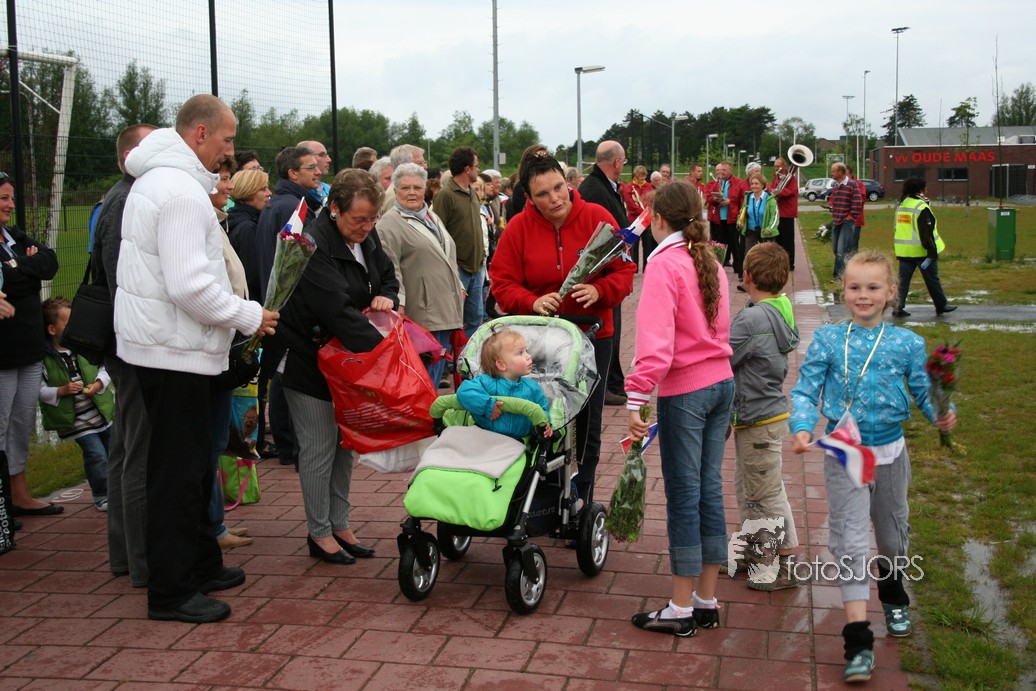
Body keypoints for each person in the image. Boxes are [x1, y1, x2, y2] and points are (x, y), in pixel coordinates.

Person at [116, 94, 277, 623]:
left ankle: (201, 563)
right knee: (178, 473)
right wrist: (249, 315)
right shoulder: (181, 192)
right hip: (174, 351)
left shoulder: (164, 181)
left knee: (192, 466)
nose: (231, 150)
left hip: (170, 346)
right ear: (200, 133)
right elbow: (189, 286)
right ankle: (171, 590)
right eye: (227, 139)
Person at [789, 249, 957, 682]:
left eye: (872, 287)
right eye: (854, 287)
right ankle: (858, 642)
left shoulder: (907, 343)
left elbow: (923, 389)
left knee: (892, 537)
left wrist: (941, 411)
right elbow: (805, 390)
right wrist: (803, 426)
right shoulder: (828, 340)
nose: (863, 295)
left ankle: (893, 591)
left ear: (890, 293)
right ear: (843, 291)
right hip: (845, 452)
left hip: (890, 453)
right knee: (850, 540)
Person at [490, 153, 634, 505]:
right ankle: (541, 496)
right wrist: (531, 301)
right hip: (538, 342)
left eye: (559, 188)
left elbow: (624, 272)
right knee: (541, 417)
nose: (555, 198)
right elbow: (502, 283)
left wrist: (601, 290)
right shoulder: (518, 229)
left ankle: (581, 497)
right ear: (528, 196)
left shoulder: (597, 217)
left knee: (587, 422)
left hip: (592, 336)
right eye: (543, 194)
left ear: (568, 183)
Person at [625, 181, 734, 638]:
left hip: (686, 392)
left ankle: (681, 607)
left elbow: (655, 343)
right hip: (721, 382)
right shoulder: (710, 259)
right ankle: (706, 599)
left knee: (685, 496)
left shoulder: (663, 264)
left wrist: (636, 397)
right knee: (709, 490)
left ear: (657, 219)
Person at [278, 169, 398, 565]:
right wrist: (387, 353)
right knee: (318, 447)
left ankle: (339, 524)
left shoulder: (366, 237)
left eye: (372, 219)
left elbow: (387, 275)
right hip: (308, 360)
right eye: (358, 219)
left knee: (345, 445)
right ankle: (319, 532)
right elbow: (337, 311)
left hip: (347, 360)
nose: (366, 227)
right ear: (334, 209)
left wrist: (386, 296)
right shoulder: (313, 245)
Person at [90, 123, 156, 586]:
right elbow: (123, 283)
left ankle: (126, 554)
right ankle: (145, 561)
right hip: (131, 343)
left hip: (125, 340)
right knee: (140, 451)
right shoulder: (126, 200)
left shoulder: (126, 196)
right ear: (131, 156)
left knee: (126, 446)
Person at [729, 242, 801, 591]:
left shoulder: (752, 318)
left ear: (747, 276)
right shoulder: (779, 308)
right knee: (750, 488)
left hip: (758, 417)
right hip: (763, 415)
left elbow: (724, 355)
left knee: (764, 495)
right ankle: (754, 550)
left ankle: (780, 564)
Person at [255, 145, 322, 470]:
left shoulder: (280, 203)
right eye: (311, 167)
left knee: (282, 374)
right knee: (287, 376)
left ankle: (287, 443)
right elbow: (296, 260)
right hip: (289, 304)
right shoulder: (293, 208)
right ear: (293, 173)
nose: (318, 171)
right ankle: (292, 446)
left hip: (280, 302)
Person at [1, 171, 61, 522]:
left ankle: (19, 494)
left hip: (29, 347)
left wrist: (17, 265)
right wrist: (26, 271)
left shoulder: (14, 236)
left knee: (22, 423)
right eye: (4, 198)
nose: (11, 204)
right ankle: (2, 505)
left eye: (11, 197)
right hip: (3, 353)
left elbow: (49, 263)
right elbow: (8, 281)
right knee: (1, 424)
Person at [375, 162, 464, 387]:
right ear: (395, 191)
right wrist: (399, 304)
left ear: (425, 189)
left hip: (443, 307)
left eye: (417, 187)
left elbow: (445, 256)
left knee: (434, 371)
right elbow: (390, 268)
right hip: (421, 314)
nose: (412, 193)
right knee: (423, 376)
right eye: (405, 188)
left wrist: (459, 287)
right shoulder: (389, 224)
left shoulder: (431, 216)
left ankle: (430, 409)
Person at [206, 158, 255, 551]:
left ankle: (215, 524)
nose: (228, 186)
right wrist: (247, 316)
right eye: (221, 179)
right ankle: (210, 528)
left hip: (228, 339)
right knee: (208, 443)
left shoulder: (218, 221)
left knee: (220, 436)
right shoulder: (202, 222)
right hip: (213, 345)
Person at [38, 296, 113, 511]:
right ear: (52, 329)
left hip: (101, 413)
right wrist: (60, 391)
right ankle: (101, 494)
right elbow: (39, 391)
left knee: (113, 452)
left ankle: (117, 489)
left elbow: (106, 367)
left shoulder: (85, 346)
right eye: (68, 322)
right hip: (76, 421)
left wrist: (98, 384)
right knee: (96, 454)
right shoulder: (45, 359)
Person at [579, 141, 631, 408]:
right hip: (600, 274)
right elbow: (600, 234)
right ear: (617, 162)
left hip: (609, 270)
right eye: (624, 161)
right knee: (607, 331)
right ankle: (607, 383)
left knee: (614, 329)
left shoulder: (603, 186)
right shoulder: (594, 190)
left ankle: (613, 381)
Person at [456, 328, 552, 439]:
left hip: (520, 442)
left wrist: (544, 425)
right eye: (520, 353)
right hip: (486, 438)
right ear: (501, 365)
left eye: (526, 351)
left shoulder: (532, 387)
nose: (529, 356)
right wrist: (487, 405)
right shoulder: (486, 382)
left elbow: (543, 409)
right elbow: (463, 391)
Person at [434, 146, 485, 338]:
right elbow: (438, 232)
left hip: (476, 267)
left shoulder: (472, 193)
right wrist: (451, 264)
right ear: (467, 169)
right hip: (458, 269)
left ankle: (469, 353)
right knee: (452, 319)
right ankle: (449, 355)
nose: (478, 170)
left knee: (475, 318)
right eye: (476, 166)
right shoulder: (445, 195)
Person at [892, 177, 956, 318]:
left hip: (904, 252)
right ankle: (941, 306)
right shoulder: (921, 207)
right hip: (922, 252)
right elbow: (926, 233)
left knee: (902, 282)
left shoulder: (902, 204)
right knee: (932, 280)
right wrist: (932, 252)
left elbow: (896, 227)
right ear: (921, 189)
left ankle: (897, 307)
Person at [227, 168, 273, 302]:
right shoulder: (247, 228)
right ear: (248, 191)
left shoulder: (234, 220)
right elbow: (253, 276)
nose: (269, 193)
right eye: (263, 189)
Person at [735, 173, 779, 292]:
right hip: (751, 231)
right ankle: (748, 283)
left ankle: (768, 283)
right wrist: (740, 222)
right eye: (752, 184)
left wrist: (770, 228)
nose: (754, 186)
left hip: (766, 232)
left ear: (762, 185)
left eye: (757, 183)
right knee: (749, 257)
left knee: (766, 258)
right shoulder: (748, 197)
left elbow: (775, 216)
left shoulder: (770, 198)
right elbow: (742, 212)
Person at [705, 161, 746, 279]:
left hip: (731, 218)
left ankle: (738, 268)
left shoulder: (739, 182)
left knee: (735, 244)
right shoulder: (716, 182)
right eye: (720, 170)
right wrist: (715, 199)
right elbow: (708, 197)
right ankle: (719, 267)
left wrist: (730, 202)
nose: (721, 172)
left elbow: (742, 199)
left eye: (724, 170)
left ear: (730, 171)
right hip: (718, 218)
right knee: (719, 244)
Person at [827, 163, 862, 281]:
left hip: (847, 222)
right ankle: (844, 272)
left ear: (840, 172)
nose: (831, 173)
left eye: (833, 171)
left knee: (841, 250)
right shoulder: (836, 186)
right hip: (836, 221)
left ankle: (839, 276)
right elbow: (834, 201)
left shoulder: (852, 185)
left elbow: (857, 203)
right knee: (835, 249)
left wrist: (850, 217)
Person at [767, 156, 798, 271]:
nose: (776, 168)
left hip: (787, 213)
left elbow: (791, 191)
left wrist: (777, 192)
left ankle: (790, 263)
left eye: (778, 166)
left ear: (784, 166)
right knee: (778, 239)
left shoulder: (791, 178)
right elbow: (772, 188)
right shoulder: (776, 177)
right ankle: (780, 263)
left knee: (788, 240)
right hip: (778, 212)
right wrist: (771, 190)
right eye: (775, 166)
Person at [622, 165, 654, 272]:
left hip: (647, 220)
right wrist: (642, 212)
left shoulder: (649, 187)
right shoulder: (629, 187)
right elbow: (630, 204)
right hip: (634, 220)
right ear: (636, 175)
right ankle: (634, 268)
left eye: (644, 175)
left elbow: (651, 201)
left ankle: (647, 268)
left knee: (647, 245)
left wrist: (646, 212)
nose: (642, 178)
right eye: (640, 175)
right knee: (634, 246)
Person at [297, 139, 332, 205]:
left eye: (327, 155)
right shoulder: (296, 195)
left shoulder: (328, 189)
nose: (329, 160)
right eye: (321, 155)